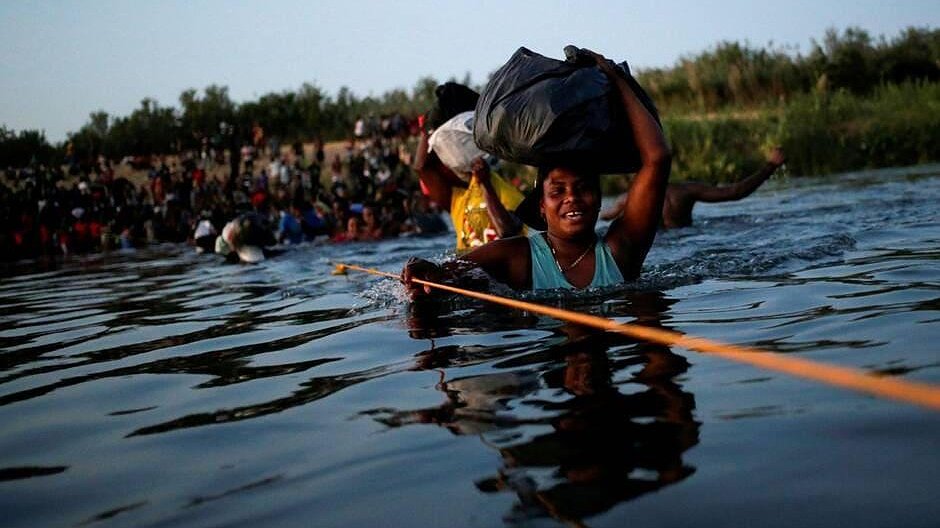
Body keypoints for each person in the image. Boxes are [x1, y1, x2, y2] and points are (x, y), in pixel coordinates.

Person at [403, 51, 670, 293]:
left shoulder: (620, 251)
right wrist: (426, 273)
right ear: (541, 205)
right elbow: (444, 274)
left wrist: (615, 77)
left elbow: (657, 158)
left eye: (583, 187)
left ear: (599, 199)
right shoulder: (519, 257)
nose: (571, 197)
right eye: (558, 190)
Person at [415, 84, 525, 252]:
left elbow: (508, 233)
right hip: (468, 272)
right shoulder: (457, 199)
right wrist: (427, 128)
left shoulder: (507, 194)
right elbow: (422, 167)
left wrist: (486, 184)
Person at [600, 147, 786, 229]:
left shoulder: (627, 199)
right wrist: (770, 166)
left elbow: (604, 217)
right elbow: (735, 192)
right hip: (690, 238)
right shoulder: (685, 191)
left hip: (660, 248)